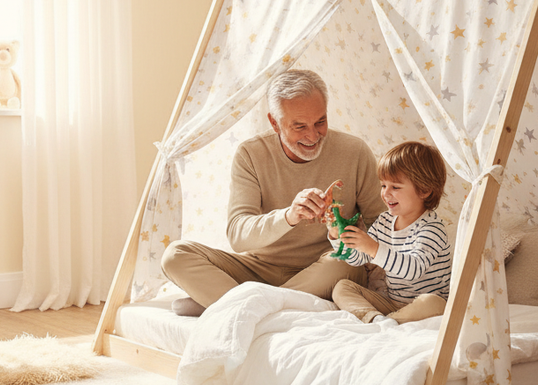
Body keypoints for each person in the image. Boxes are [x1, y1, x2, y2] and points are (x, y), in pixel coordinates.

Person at [161, 69, 386, 315]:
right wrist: (288, 216)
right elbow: (238, 236)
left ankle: (230, 305)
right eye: (299, 126)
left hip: (324, 269)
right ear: (274, 123)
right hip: (259, 269)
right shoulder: (251, 154)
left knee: (346, 265)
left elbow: (383, 225)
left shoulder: (355, 151)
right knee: (175, 255)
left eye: (320, 121)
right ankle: (260, 305)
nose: (313, 135)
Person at [330, 141, 452, 325]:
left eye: (395, 187)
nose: (386, 194)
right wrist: (338, 236)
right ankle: (376, 320)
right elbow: (357, 259)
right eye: (383, 185)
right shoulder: (385, 221)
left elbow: (413, 270)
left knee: (433, 302)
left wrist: (373, 248)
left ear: (424, 190)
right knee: (342, 287)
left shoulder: (432, 229)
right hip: (393, 301)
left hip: (426, 304)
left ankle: (391, 322)